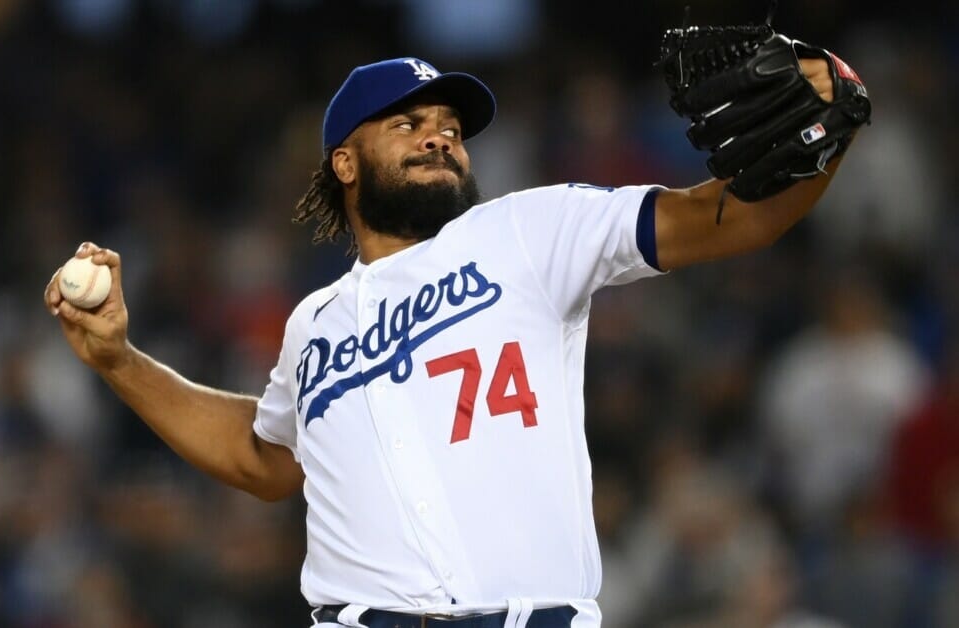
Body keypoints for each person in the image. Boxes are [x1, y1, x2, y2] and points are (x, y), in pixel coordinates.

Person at [44, 50, 855, 628]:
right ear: (345, 163)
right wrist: (117, 359)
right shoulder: (314, 321)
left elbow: (728, 218)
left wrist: (834, 122)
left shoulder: (530, 231)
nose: (440, 136)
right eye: (409, 123)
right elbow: (264, 460)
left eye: (451, 127)